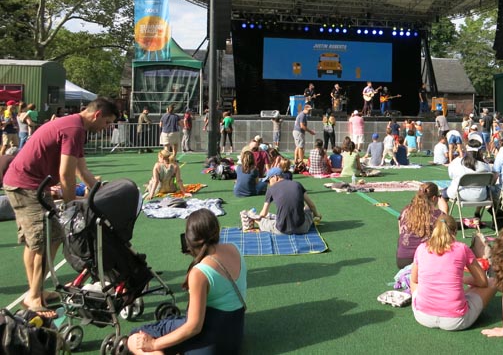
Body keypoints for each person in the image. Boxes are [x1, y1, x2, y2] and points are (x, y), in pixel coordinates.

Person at [3, 97, 118, 314]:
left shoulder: (76, 128)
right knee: (50, 238)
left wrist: (102, 193)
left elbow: (81, 171)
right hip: (27, 185)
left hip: (27, 183)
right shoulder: (74, 129)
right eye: (107, 122)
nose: (106, 128)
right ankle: (34, 297)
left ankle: (35, 291)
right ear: (97, 115)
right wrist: (71, 208)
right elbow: (66, 174)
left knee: (35, 242)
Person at [127, 209, 246, 354]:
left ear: (190, 240)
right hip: (233, 340)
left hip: (208, 346)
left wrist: (154, 344)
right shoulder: (235, 249)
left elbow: (194, 327)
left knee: (135, 339)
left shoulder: (200, 272)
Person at [410, 214, 496, 331]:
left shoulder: (421, 248)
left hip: (423, 316)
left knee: (414, 282)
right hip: (455, 320)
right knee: (492, 282)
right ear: (455, 232)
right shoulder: (462, 248)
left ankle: (430, 304)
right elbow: (483, 282)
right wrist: (463, 279)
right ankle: (454, 304)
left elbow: (414, 280)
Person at [257, 168, 322, 234]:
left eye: (268, 181)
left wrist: (258, 218)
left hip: (282, 229)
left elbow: (263, 213)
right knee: (307, 208)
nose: (269, 184)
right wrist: (317, 215)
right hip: (302, 228)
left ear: (275, 177)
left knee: (260, 220)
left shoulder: (271, 189)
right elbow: (311, 205)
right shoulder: (297, 184)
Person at [396, 182, 444, 268]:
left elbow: (400, 232)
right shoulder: (438, 215)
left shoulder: (406, 210)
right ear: (434, 198)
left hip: (403, 260)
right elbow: (446, 230)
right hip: (425, 260)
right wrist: (444, 208)